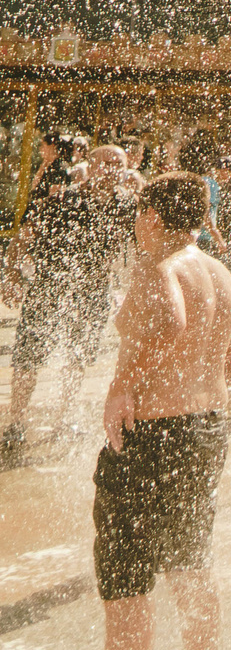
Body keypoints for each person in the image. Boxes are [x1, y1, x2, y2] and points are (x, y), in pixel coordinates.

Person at [95, 173, 231, 650]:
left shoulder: (156, 264)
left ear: (154, 217)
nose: (135, 224)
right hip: (204, 431)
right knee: (191, 566)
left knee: (126, 582)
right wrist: (194, 385)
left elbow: (166, 319)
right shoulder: (220, 272)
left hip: (152, 438)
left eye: (139, 213)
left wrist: (123, 387)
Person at [3, 146, 116, 467]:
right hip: (47, 287)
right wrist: (11, 275)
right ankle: (16, 423)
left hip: (92, 294)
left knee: (78, 357)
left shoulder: (124, 204)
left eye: (118, 164)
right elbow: (22, 239)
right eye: (106, 163)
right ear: (91, 165)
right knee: (28, 357)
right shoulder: (61, 201)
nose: (113, 169)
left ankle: (64, 418)